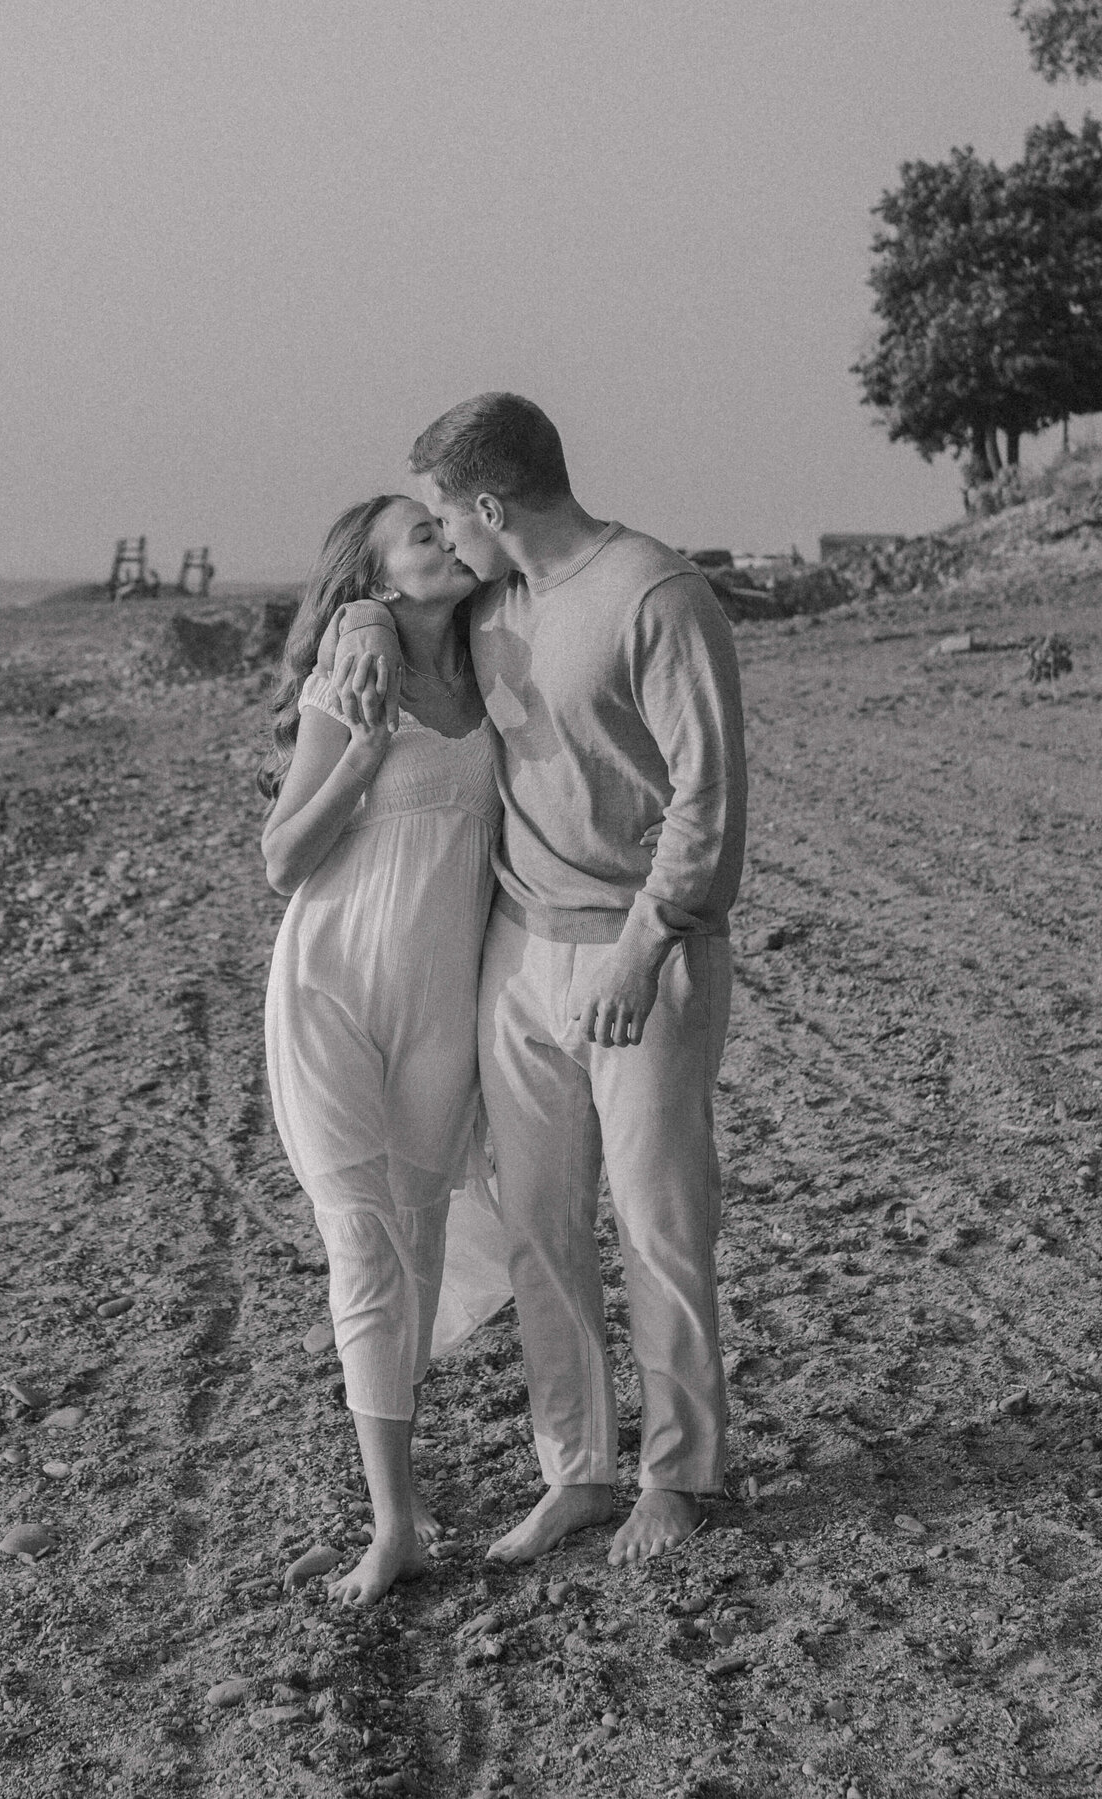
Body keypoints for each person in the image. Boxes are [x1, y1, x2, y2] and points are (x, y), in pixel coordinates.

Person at [330, 394, 747, 1566]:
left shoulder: (655, 595)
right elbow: (383, 600)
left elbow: (709, 798)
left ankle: (679, 1476)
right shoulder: (495, 601)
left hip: (639, 956)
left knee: (660, 1221)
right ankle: (580, 1470)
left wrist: (645, 942)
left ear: (493, 506)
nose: (441, 536)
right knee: (539, 1227)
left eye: (446, 515)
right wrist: (363, 618)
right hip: (516, 949)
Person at [260, 493, 504, 1606]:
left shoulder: (501, 665)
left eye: (450, 527)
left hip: (440, 1013)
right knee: (362, 1248)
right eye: (423, 535)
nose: (447, 540)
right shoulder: (346, 681)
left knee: (411, 1250)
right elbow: (281, 858)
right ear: (375, 577)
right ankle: (396, 1520)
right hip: (331, 994)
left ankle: (391, 1497)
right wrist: (360, 759)